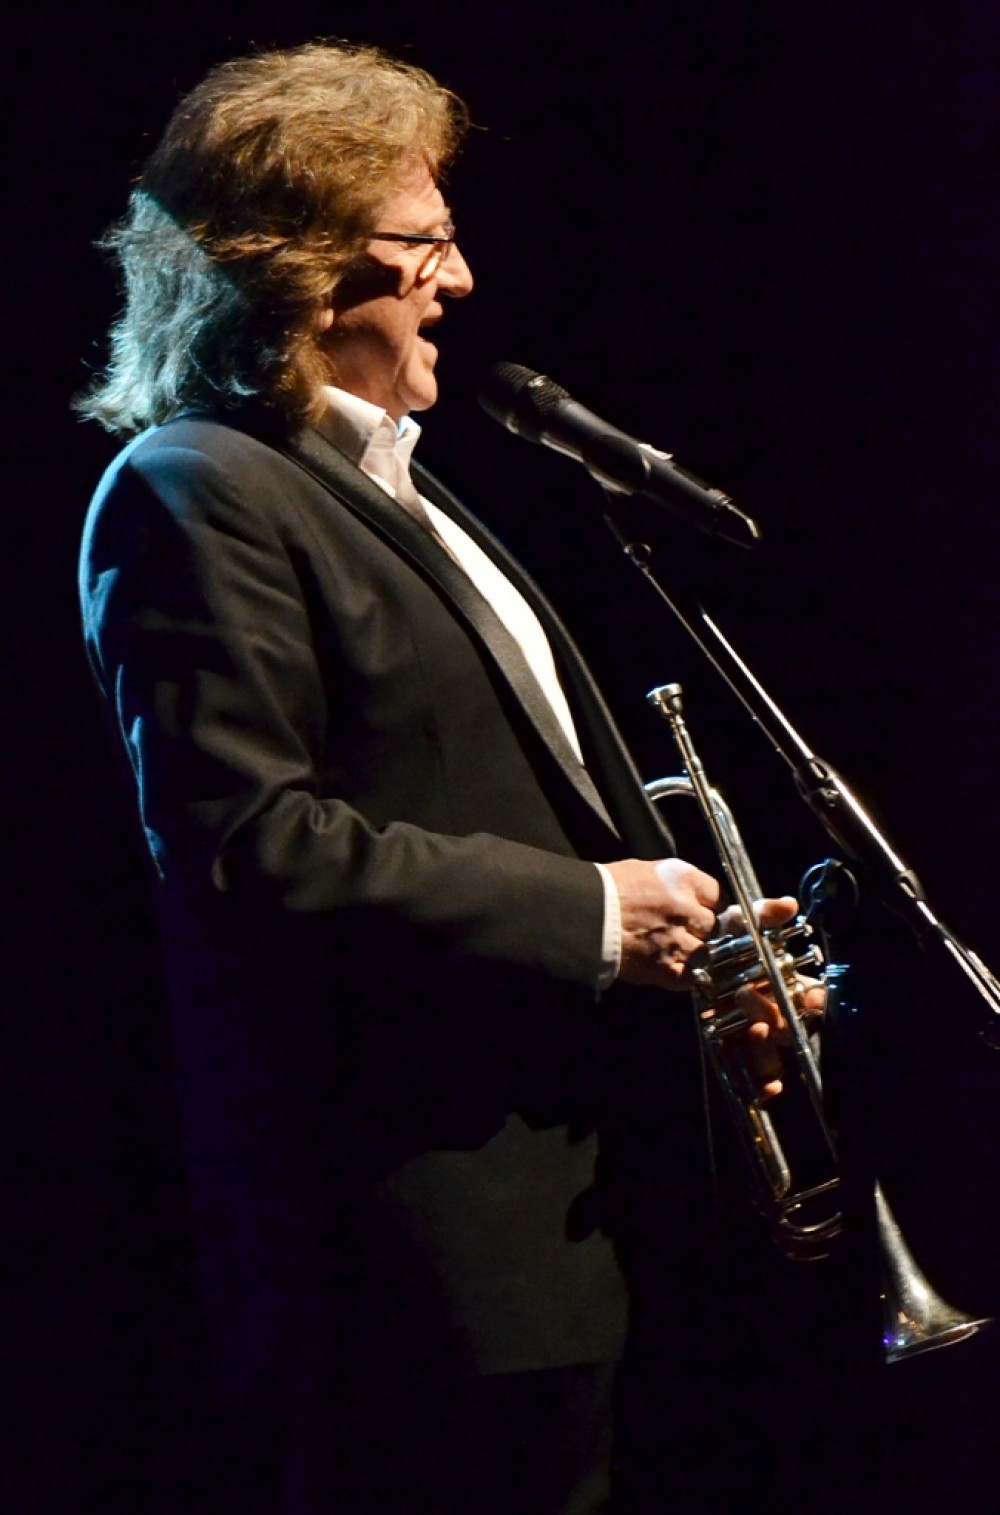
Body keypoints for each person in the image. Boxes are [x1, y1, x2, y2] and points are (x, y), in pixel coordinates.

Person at [77, 41, 808, 1515]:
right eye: (427, 242)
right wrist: (593, 916)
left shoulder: (398, 487)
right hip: (413, 1267)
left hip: (564, 1220)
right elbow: (246, 845)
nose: (460, 279)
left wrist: (697, 954)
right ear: (297, 268)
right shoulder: (196, 487)